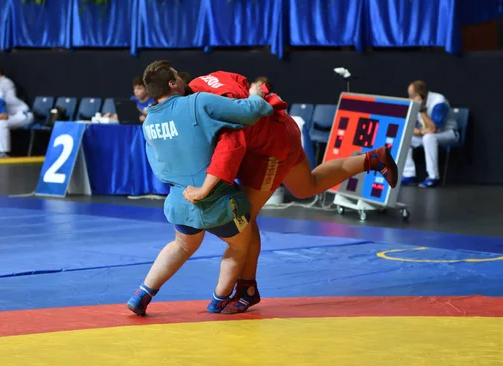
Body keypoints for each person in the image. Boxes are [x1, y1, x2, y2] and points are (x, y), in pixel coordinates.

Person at [185, 71, 399, 313]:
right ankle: (371, 160)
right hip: (280, 127)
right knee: (306, 186)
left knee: (244, 218)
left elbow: (229, 151)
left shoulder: (215, 113)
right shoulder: (205, 81)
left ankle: (247, 289)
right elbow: (247, 84)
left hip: (271, 146)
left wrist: (203, 189)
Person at [126, 60, 274, 316]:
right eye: (176, 76)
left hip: (180, 202)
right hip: (218, 202)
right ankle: (219, 299)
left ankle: (142, 293)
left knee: (182, 245)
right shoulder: (197, 102)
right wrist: (256, 95)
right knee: (241, 244)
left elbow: (159, 167)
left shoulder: (148, 122)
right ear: (172, 83)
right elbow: (249, 112)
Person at [403, 80, 459, 188]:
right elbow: (408, 127)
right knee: (404, 136)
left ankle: (433, 177)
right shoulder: (414, 103)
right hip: (426, 134)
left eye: (411, 96)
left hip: (449, 134)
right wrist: (419, 132)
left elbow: (433, 129)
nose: (409, 99)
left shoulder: (439, 102)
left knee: (429, 137)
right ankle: (409, 174)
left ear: (419, 96)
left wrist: (422, 109)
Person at [0, 84, 34, 159]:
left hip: (25, 116)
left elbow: (4, 116)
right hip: (15, 115)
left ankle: (4, 153)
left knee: (2, 123)